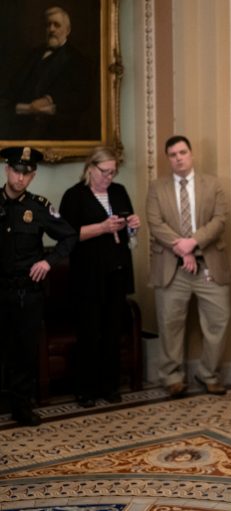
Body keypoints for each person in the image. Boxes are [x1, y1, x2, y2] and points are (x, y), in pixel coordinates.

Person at [147, 135, 231, 397]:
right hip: (171, 266)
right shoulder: (156, 188)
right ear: (168, 159)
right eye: (172, 155)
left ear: (191, 154)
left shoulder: (213, 185)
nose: (178, 158)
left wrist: (193, 243)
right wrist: (182, 249)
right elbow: (155, 222)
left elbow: (220, 220)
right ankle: (172, 377)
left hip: (209, 266)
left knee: (219, 319)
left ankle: (208, 373)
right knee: (170, 323)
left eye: (182, 152)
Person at [0, 146, 76, 426]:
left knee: (23, 352)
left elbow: (69, 237)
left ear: (33, 177)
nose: (20, 178)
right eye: (16, 171)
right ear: (7, 169)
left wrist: (49, 261)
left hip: (26, 293)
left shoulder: (39, 207)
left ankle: (22, 407)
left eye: (27, 174)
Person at [59, 147, 141, 408]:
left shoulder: (118, 191)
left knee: (112, 331)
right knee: (89, 332)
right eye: (104, 172)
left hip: (116, 270)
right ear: (90, 168)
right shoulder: (74, 196)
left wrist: (132, 225)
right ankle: (86, 389)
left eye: (113, 172)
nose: (109, 177)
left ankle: (110, 385)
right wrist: (102, 228)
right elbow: (68, 235)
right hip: (87, 275)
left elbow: (127, 225)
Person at [0, 6, 93, 140]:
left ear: (68, 30)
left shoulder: (78, 60)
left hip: (54, 130)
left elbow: (82, 98)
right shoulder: (33, 55)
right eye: (48, 25)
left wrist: (49, 99)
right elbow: (13, 88)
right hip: (20, 125)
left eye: (56, 25)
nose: (51, 29)